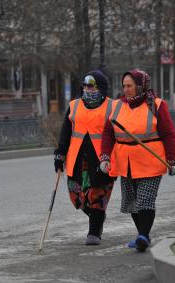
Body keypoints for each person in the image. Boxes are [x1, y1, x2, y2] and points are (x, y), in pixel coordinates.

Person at [99, 68, 175, 252]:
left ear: (140, 86)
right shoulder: (117, 105)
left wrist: (174, 160)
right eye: (124, 86)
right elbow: (107, 134)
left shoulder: (157, 105)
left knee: (145, 200)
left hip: (150, 161)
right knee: (132, 202)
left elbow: (168, 134)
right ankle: (143, 235)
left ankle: (143, 235)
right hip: (125, 162)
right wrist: (104, 157)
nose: (125, 89)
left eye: (130, 86)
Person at [53, 70, 116, 245]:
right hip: (77, 159)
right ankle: (98, 217)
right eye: (85, 85)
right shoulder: (74, 105)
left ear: (101, 88)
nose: (87, 89)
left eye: (91, 85)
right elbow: (66, 132)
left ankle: (94, 232)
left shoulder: (112, 106)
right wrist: (60, 153)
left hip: (102, 160)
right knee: (77, 197)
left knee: (97, 196)